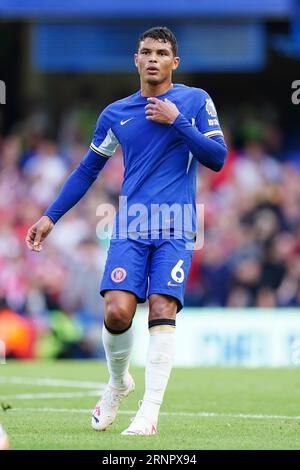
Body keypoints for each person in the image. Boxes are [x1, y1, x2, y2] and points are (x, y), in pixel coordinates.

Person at [26, 27, 227, 435]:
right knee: (117, 313)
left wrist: (179, 123)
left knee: (161, 308)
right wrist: (51, 216)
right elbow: (87, 170)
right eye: (146, 52)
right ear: (136, 60)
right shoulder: (116, 114)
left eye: (162, 53)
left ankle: (148, 414)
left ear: (175, 62)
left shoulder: (194, 101)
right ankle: (118, 383)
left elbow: (217, 158)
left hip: (178, 225)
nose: (153, 58)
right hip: (130, 226)